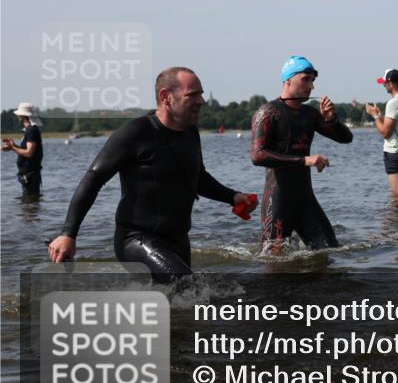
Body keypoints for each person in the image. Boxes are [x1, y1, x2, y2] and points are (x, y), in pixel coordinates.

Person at [48, 68, 257, 280]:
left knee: (179, 304)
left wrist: (232, 196)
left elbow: (197, 177)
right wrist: (68, 234)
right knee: (190, 287)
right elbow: (94, 179)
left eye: (201, 93)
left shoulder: (190, 132)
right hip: (136, 239)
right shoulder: (136, 132)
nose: (201, 100)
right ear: (166, 97)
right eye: (192, 94)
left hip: (178, 238)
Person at [251, 56, 353, 253]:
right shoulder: (268, 112)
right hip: (278, 201)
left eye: (313, 81)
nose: (311, 86)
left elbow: (345, 138)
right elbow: (258, 155)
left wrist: (332, 120)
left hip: (306, 200)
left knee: (331, 255)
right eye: (305, 79)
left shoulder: (310, 114)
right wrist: (305, 160)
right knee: (274, 265)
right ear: (288, 80)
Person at [365, 69, 398, 203]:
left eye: (384, 82)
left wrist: (375, 116)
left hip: (395, 152)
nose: (383, 85)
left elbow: (385, 133)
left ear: (391, 83)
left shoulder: (394, 103)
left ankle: (396, 223)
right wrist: (381, 116)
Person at [2, 102, 44, 198]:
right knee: (30, 205)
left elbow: (29, 153)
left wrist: (12, 148)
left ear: (23, 116)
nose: (18, 116)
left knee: (30, 206)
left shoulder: (31, 131)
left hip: (31, 177)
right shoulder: (30, 130)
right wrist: (13, 145)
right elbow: (27, 151)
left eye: (19, 114)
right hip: (29, 176)